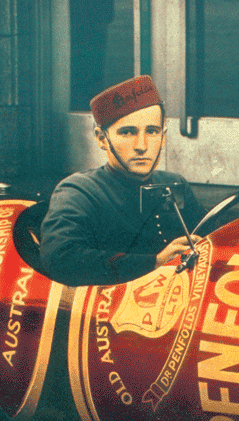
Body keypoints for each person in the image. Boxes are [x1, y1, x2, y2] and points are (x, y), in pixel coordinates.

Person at [40, 75, 206, 286]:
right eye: (128, 132)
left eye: (152, 131)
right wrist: (155, 263)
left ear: (163, 138)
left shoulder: (175, 184)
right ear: (102, 138)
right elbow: (60, 259)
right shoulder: (79, 191)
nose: (142, 145)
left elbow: (211, 237)